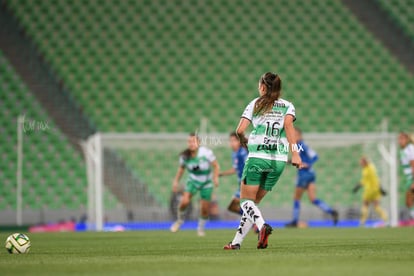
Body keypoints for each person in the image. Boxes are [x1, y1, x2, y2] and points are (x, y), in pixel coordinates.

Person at [223, 72, 302, 250]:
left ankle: (262, 226)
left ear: (263, 87)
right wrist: (295, 154)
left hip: (258, 158)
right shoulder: (288, 106)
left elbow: (239, 130)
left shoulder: (255, 104)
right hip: (278, 162)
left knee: (245, 202)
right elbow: (289, 127)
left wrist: (245, 144)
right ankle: (236, 242)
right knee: (253, 204)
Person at [285, 127, 338, 228]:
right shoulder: (303, 145)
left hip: (304, 174)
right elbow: (314, 156)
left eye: (295, 134)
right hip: (311, 174)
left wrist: (306, 164)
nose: (293, 136)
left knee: (296, 198)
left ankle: (295, 221)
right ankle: (331, 212)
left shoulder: (300, 145)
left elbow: (314, 157)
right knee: (313, 199)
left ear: (299, 135)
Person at [170, 133, 219, 236]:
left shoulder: (206, 153)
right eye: (189, 142)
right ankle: (179, 220)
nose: (191, 144)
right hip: (193, 181)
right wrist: (176, 181)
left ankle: (200, 228)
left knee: (205, 209)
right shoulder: (185, 156)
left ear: (199, 142)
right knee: (184, 202)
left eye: (193, 141)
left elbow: (216, 165)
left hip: (206, 182)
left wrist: (215, 177)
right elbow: (181, 169)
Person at [219, 132, 248, 215]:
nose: (232, 143)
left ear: (239, 141)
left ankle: (256, 223)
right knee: (232, 207)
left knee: (244, 205)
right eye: (230, 141)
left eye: (234, 140)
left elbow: (251, 165)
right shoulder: (234, 153)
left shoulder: (243, 152)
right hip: (241, 185)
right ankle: (253, 221)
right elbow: (235, 169)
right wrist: (221, 174)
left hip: (247, 183)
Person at [352, 157, 388, 226]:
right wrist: (381, 188)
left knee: (365, 204)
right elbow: (376, 178)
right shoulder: (372, 167)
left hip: (369, 190)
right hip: (376, 189)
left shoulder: (366, 170)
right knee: (376, 206)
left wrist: (357, 186)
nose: (360, 164)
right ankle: (385, 218)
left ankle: (362, 222)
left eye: (361, 162)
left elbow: (364, 181)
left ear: (365, 162)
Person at [398, 132, 414, 219]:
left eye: (402, 138)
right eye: (399, 139)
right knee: (408, 203)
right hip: (409, 178)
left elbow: (413, 164)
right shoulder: (401, 151)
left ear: (407, 139)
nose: (400, 140)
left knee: (409, 201)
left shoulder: (410, 148)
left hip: (412, 178)